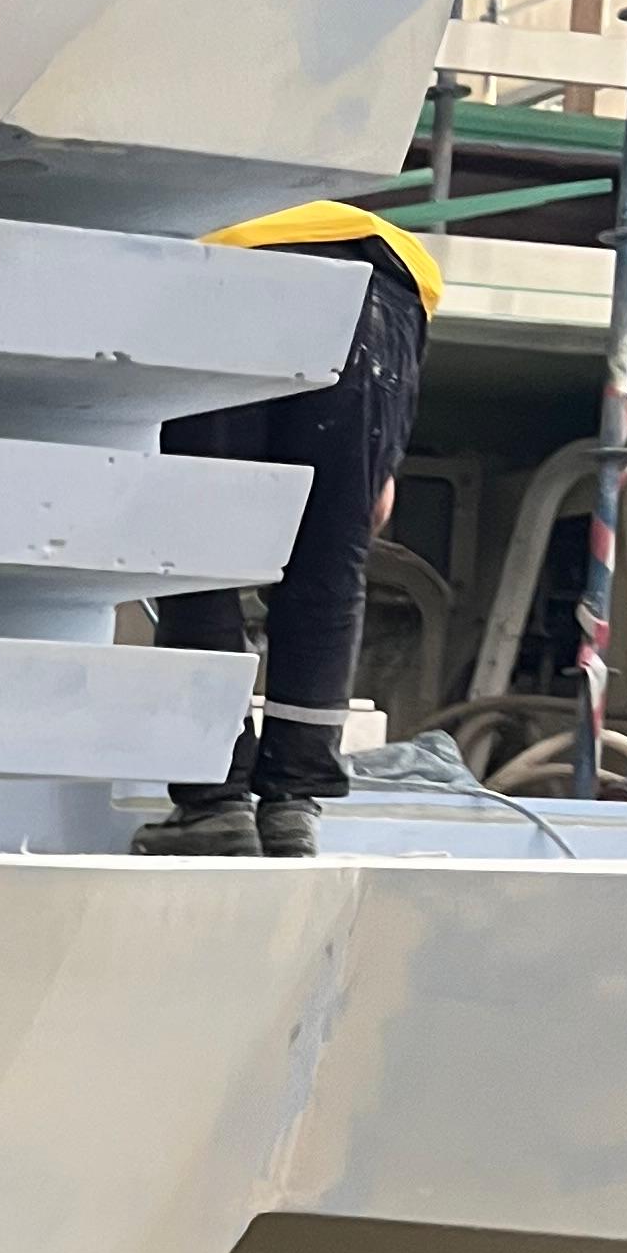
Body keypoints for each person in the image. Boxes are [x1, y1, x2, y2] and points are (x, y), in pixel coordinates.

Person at [136, 201, 442, 859]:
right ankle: (293, 808)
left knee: (197, 560)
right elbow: (374, 502)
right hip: (384, 283)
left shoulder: (189, 202)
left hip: (225, 265)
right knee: (328, 563)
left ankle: (214, 804)